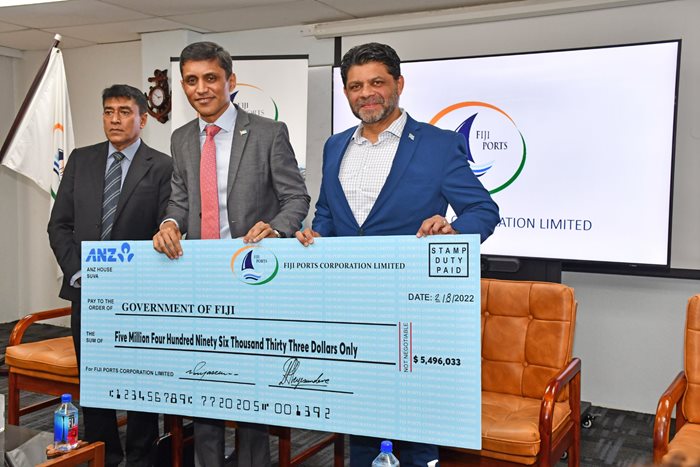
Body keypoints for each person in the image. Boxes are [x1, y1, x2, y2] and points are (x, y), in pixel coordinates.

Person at [295, 42, 500, 467]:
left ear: (398, 84)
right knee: (360, 411)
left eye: (377, 82)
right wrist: (315, 236)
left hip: (413, 309)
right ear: (345, 92)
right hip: (351, 306)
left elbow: (483, 210)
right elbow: (328, 213)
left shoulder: (438, 144)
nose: (366, 94)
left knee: (416, 420)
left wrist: (452, 231)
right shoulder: (335, 146)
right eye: (355, 86)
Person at [152, 41, 310, 467]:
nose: (201, 88)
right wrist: (169, 224)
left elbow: (296, 198)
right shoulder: (181, 138)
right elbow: (180, 200)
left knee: (251, 390)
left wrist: (276, 228)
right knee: (205, 385)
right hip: (200, 280)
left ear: (230, 81)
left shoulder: (268, 132)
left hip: (254, 277)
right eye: (191, 80)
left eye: (210, 78)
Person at [47, 84, 173, 467]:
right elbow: (59, 225)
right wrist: (78, 273)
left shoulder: (162, 166)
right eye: (108, 111)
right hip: (88, 293)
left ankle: (141, 456)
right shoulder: (81, 160)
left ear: (143, 119)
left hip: (139, 295)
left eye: (124, 111)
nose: (115, 119)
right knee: (95, 381)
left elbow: (166, 228)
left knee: (140, 382)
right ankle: (103, 453)